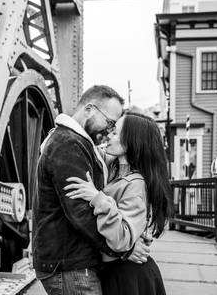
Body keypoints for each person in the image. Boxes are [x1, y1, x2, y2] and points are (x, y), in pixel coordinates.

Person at [33, 86, 150, 295]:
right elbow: (82, 213)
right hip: (70, 266)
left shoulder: (78, 143)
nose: (109, 130)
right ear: (89, 109)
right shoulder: (68, 145)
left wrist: (134, 231)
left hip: (71, 263)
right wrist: (124, 250)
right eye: (109, 122)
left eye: (114, 126)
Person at [64, 112, 171, 295]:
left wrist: (97, 198)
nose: (109, 136)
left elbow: (122, 238)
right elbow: (83, 147)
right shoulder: (116, 170)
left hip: (127, 276)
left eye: (115, 133)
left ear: (131, 142)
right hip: (119, 270)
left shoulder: (136, 184)